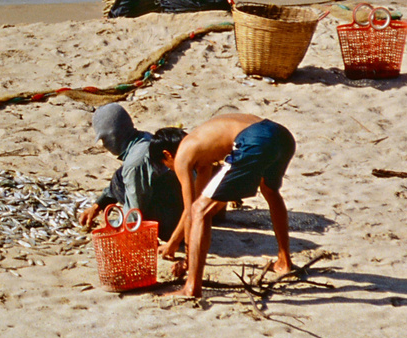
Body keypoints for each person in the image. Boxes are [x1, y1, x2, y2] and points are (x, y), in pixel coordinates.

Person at [158, 112, 295, 299]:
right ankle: (284, 261)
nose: (171, 170)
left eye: (166, 165)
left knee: (200, 210)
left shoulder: (182, 155)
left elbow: (192, 212)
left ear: (167, 154)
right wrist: (173, 244)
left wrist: (188, 261)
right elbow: (200, 203)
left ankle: (191, 287)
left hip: (253, 139)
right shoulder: (202, 153)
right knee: (270, 191)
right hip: (281, 135)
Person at [77, 104, 185, 241]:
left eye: (104, 140)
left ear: (113, 136)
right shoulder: (145, 138)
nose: (104, 145)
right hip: (178, 204)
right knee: (120, 176)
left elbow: (135, 210)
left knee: (125, 178)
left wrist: (115, 227)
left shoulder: (135, 162)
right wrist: (98, 205)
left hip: (173, 226)